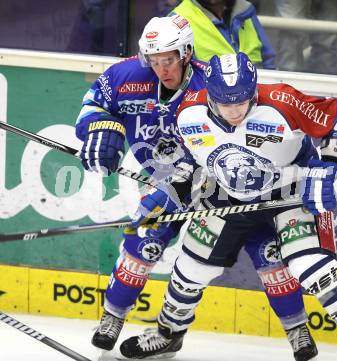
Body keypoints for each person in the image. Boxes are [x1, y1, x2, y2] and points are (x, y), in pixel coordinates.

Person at [118, 52, 337, 361]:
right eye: (226, 104)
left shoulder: (282, 101)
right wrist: (171, 191)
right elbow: (190, 164)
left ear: (254, 92)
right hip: (227, 195)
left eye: (242, 103)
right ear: (210, 98)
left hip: (289, 192)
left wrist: (326, 166)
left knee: (315, 271)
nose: (235, 112)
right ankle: (169, 334)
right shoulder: (188, 112)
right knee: (189, 269)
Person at [75, 15, 317, 361]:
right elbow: (93, 105)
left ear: (186, 52)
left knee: (268, 254)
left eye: (169, 59)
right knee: (143, 244)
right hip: (165, 186)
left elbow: (245, 136)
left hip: (224, 186)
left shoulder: (211, 85)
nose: (162, 69)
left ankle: (297, 329)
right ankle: (114, 318)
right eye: (155, 61)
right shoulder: (125, 76)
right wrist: (101, 128)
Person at [172, 0, 276, 69]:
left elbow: (269, 60)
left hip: (258, 91)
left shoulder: (245, 9)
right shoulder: (177, 20)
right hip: (209, 97)